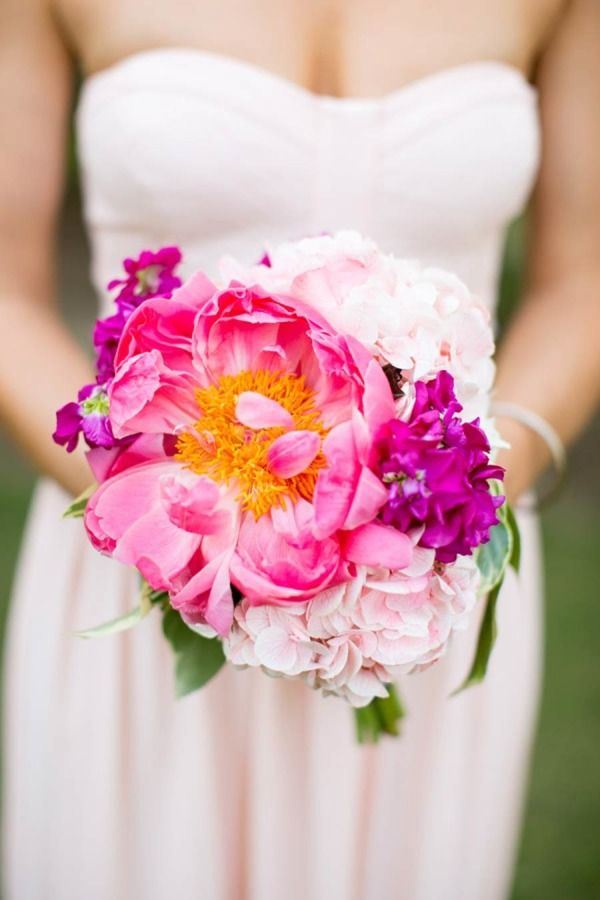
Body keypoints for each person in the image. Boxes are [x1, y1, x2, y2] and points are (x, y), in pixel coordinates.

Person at [1, 1, 599, 897]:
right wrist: (209, 533)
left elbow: (584, 278)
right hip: (159, 550)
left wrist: (453, 499)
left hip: (419, 583)